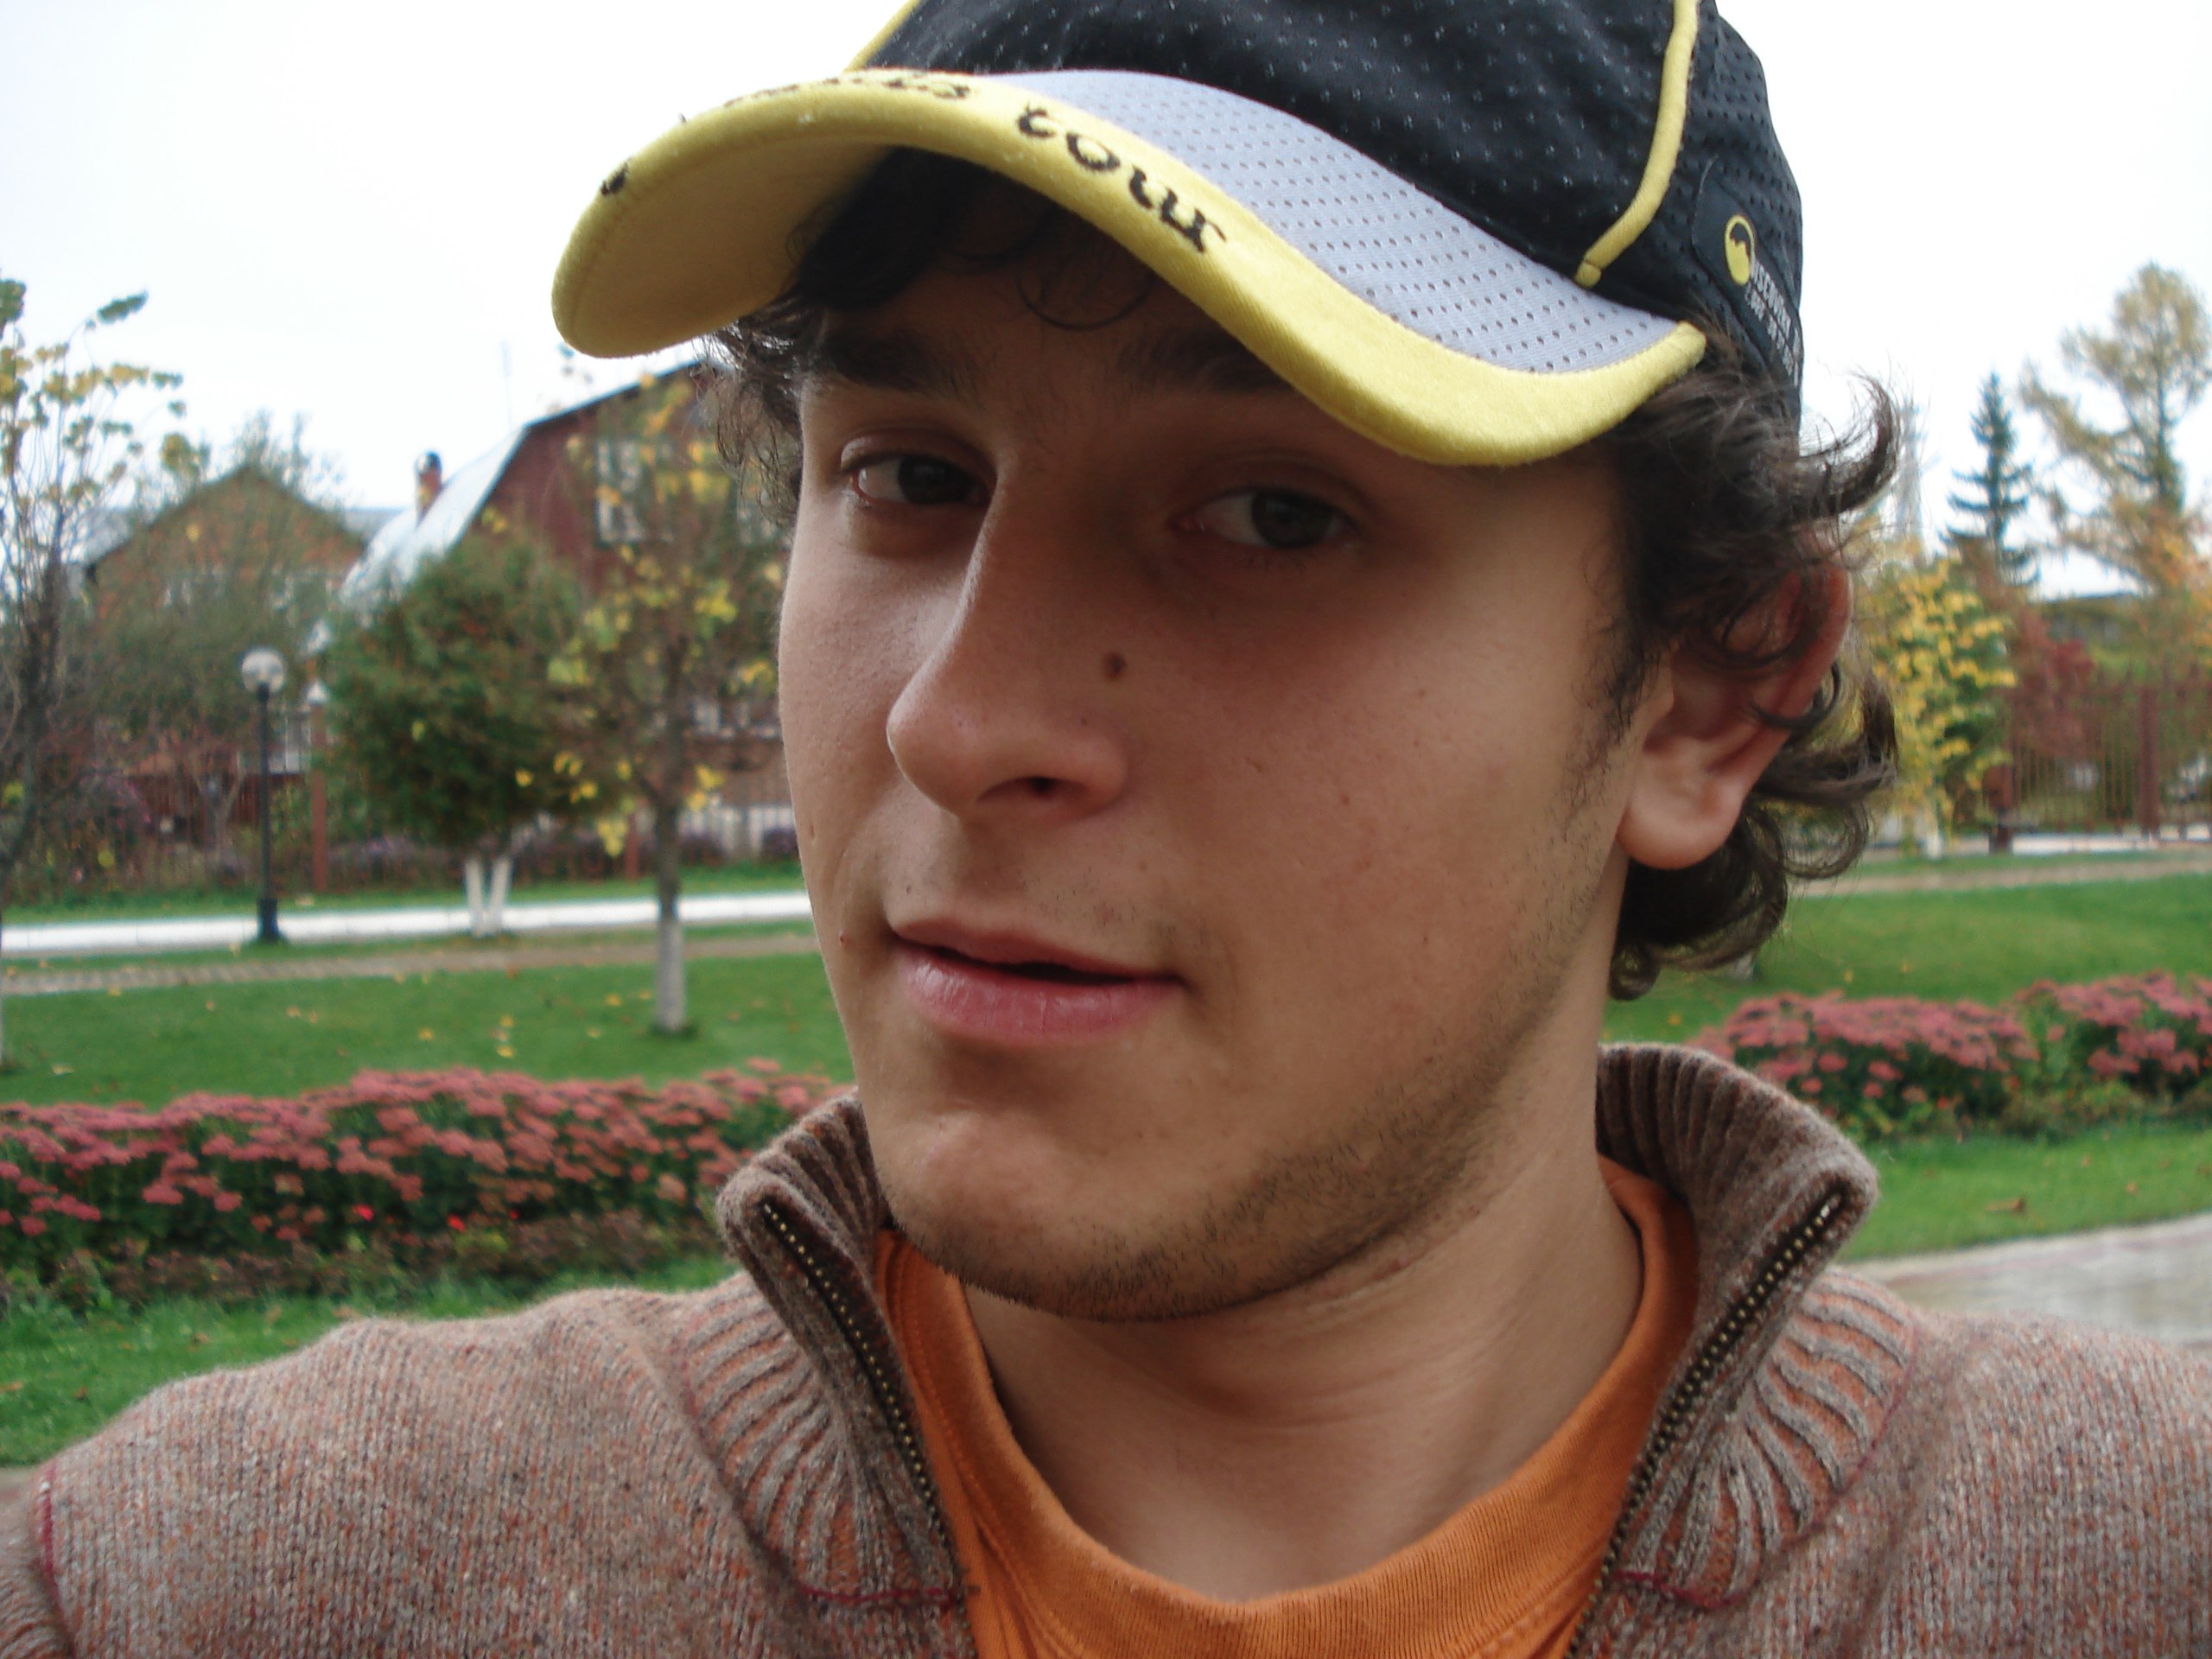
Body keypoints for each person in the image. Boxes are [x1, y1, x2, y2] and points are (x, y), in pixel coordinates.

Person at [6, 1, 2208, 1654]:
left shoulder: (2112, 1571)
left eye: (1270, 514)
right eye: (907, 476)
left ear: (1707, 685)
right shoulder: (240, 1583)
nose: (958, 723)